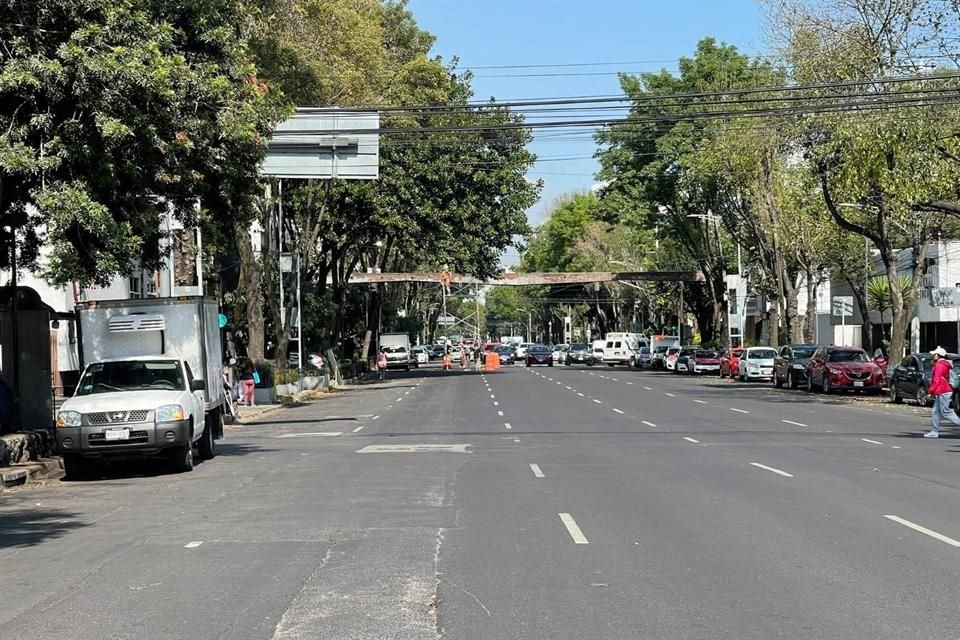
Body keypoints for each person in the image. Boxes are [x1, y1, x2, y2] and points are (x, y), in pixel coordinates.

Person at [925, 346, 960, 438]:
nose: (933, 356)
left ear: (939, 355)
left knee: (946, 412)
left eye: (934, 354)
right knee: (935, 411)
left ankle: (935, 431)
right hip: (943, 390)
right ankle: (934, 431)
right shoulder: (944, 364)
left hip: (943, 390)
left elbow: (936, 380)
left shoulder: (939, 365)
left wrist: (930, 391)